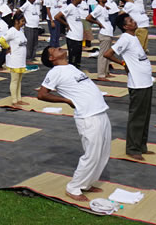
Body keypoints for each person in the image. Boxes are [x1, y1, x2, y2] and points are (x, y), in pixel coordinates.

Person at [38, 45, 112, 201]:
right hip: (88, 116)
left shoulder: (71, 67)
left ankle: (87, 183)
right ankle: (74, 188)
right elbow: (42, 94)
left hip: (99, 111)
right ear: (52, 58)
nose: (59, 48)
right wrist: (65, 100)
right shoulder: (55, 72)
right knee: (91, 154)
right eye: (55, 50)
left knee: (103, 153)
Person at [104, 14, 154, 161]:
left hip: (146, 81)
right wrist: (123, 64)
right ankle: (132, 148)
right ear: (125, 26)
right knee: (137, 117)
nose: (134, 21)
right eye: (131, 21)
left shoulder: (133, 38)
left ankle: (141, 145)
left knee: (145, 116)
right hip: (138, 84)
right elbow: (108, 54)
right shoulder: (125, 38)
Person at [1, 11, 28, 107]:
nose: (23, 23)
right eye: (22, 21)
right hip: (14, 59)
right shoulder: (11, 31)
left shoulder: (20, 31)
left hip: (21, 59)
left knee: (19, 81)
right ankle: (14, 100)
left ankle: (19, 99)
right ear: (16, 21)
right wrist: (7, 47)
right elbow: (2, 40)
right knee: (15, 80)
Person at [86, 0, 115, 80]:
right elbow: (88, 17)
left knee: (107, 54)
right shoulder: (98, 8)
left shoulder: (104, 8)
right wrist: (98, 23)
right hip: (104, 33)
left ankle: (106, 72)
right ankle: (101, 74)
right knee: (103, 54)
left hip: (108, 33)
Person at [56, 0, 86, 68]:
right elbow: (57, 16)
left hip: (78, 37)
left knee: (77, 59)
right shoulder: (70, 7)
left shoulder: (77, 8)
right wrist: (66, 24)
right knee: (73, 59)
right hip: (73, 37)